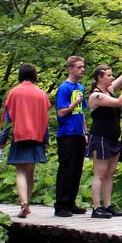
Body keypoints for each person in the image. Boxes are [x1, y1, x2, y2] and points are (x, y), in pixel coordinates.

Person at [1, 64, 52, 219]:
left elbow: (8, 119)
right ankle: (27, 203)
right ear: (34, 75)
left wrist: (2, 139)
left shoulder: (14, 93)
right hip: (37, 136)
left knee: (20, 172)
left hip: (20, 135)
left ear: (20, 75)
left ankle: (23, 204)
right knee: (30, 171)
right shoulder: (41, 94)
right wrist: (46, 140)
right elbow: (45, 119)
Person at [87, 59, 122, 219]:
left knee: (110, 173)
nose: (112, 78)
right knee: (100, 172)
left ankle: (107, 205)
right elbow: (119, 102)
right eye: (109, 75)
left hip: (114, 137)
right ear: (100, 77)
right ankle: (96, 207)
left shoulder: (109, 90)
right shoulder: (96, 95)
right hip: (100, 137)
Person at [53, 55, 88, 218]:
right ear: (70, 69)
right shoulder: (64, 88)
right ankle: (61, 205)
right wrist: (74, 103)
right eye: (79, 67)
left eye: (83, 67)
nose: (82, 69)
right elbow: (61, 112)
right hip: (66, 134)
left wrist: (85, 132)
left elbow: (81, 113)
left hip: (78, 133)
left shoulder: (80, 87)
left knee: (76, 169)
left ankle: (71, 202)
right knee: (66, 169)